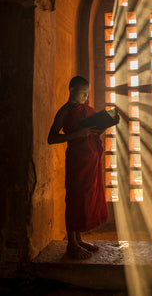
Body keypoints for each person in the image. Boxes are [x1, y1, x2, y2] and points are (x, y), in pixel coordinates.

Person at [48, 76, 116, 259]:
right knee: (75, 199)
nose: (86, 96)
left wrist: (102, 125)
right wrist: (78, 133)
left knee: (85, 198)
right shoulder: (64, 111)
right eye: (83, 92)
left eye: (88, 93)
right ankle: (71, 244)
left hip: (90, 160)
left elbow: (91, 129)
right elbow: (51, 138)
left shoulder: (86, 109)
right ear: (72, 91)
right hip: (77, 160)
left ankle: (78, 239)